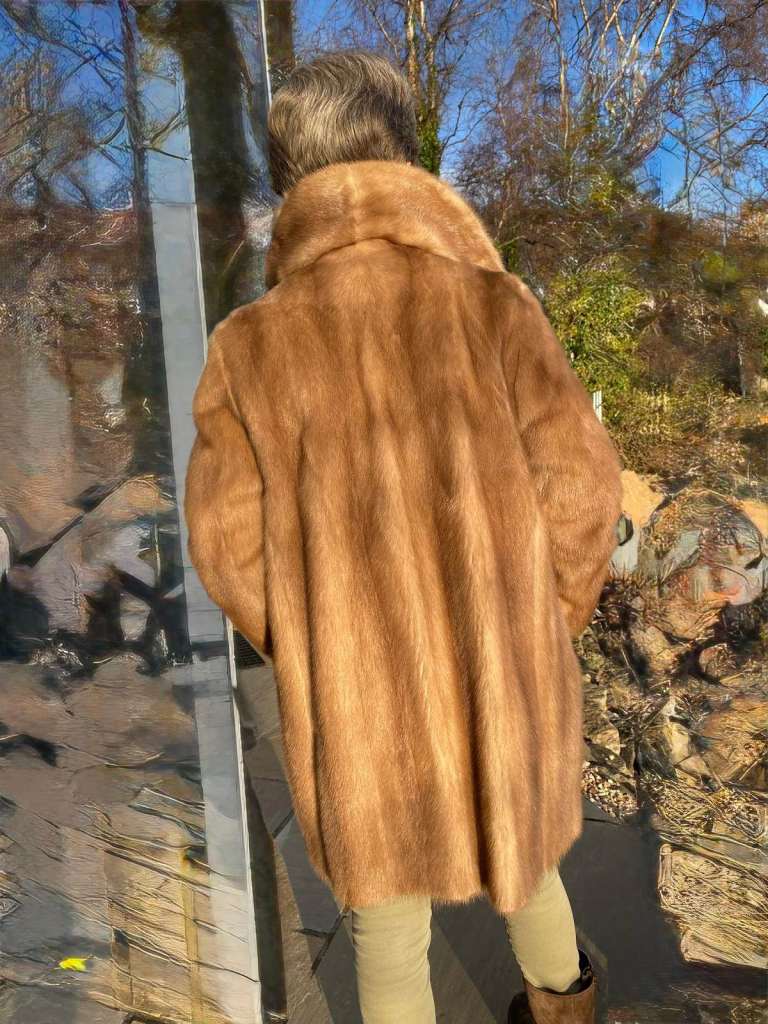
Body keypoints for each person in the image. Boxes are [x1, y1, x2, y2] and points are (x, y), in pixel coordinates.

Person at [184, 49, 624, 1024]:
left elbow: (223, 541)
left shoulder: (249, 345)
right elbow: (583, 490)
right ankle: (566, 1011)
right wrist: (539, 621)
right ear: (402, 149)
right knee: (527, 867)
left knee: (385, 928)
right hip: (500, 662)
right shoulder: (491, 305)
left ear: (289, 173)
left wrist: (314, 641)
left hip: (358, 697)